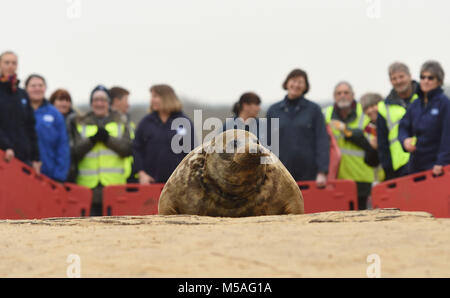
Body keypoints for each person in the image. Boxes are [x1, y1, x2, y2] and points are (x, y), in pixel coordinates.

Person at [70, 85, 133, 216]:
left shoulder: (121, 121)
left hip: (114, 188)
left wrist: (108, 139)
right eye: (96, 100)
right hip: (87, 188)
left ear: (109, 103)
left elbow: (128, 149)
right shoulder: (80, 122)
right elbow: (74, 152)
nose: (99, 103)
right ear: (91, 103)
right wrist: (91, 141)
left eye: (103, 100)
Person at [266, 68, 329, 187]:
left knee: (310, 205)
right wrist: (266, 171)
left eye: (300, 82)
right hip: (281, 172)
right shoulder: (273, 111)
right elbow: (267, 144)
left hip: (309, 174)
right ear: (287, 83)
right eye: (293, 80)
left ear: (305, 87)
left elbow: (322, 140)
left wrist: (322, 171)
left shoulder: (314, 110)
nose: (296, 85)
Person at [325, 82, 375, 210]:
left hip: (360, 177)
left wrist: (347, 131)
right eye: (339, 93)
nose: (343, 96)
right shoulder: (325, 114)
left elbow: (371, 143)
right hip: (336, 178)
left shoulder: (365, 113)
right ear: (334, 96)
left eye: (346, 93)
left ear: (353, 95)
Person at [133, 84, 196, 184]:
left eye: (155, 96)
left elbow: (191, 153)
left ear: (167, 98)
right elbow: (137, 149)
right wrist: (141, 173)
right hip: (150, 184)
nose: (152, 100)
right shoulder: (145, 122)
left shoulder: (184, 122)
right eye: (151, 97)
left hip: (177, 184)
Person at [399, 60, 450, 176]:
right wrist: (404, 140)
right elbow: (403, 127)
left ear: (439, 81)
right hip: (415, 166)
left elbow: (447, 136)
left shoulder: (445, 104)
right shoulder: (415, 105)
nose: (425, 81)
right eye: (423, 77)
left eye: (430, 78)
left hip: (437, 168)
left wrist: (442, 162)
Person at [377, 62, 419, 180]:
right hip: (401, 167)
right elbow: (383, 144)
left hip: (430, 159)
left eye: (401, 76)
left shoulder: (426, 96)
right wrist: (389, 172)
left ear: (409, 76)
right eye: (394, 78)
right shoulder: (384, 107)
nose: (398, 81)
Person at [0, 51, 41, 172]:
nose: (10, 66)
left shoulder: (22, 94)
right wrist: (5, 146)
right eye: (7, 62)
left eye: (14, 63)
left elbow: (30, 127)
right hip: (4, 156)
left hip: (24, 159)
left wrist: (36, 158)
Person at [25, 74, 70, 182]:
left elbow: (62, 146)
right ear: (26, 88)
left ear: (45, 88)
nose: (37, 89)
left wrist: (59, 175)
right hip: (23, 171)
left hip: (48, 175)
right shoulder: (19, 110)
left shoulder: (54, 114)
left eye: (40, 85)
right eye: (33, 86)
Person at [49, 88, 80, 182]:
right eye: (60, 100)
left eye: (67, 100)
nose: (64, 103)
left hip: (71, 171)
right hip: (49, 169)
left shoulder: (76, 122)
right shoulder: (45, 121)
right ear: (52, 102)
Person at [109, 86, 136, 182]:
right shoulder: (108, 124)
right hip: (113, 179)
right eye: (126, 100)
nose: (128, 105)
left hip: (130, 176)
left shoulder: (129, 123)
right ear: (116, 101)